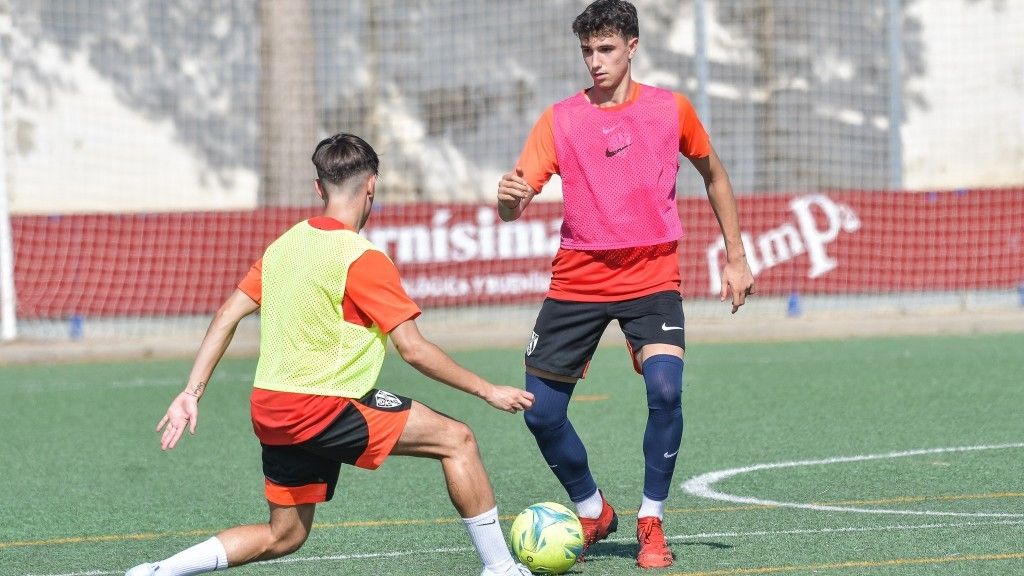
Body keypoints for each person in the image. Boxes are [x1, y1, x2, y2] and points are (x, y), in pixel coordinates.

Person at [126, 133, 535, 576]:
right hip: (322, 407)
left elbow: (227, 314)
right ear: (372, 185)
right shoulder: (361, 258)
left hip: (271, 408)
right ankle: (502, 569)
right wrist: (487, 389)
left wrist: (192, 391)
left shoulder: (283, 246)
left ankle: (156, 572)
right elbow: (413, 349)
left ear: (318, 187)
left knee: (285, 535)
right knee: (458, 440)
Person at [496, 0, 754, 569]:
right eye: (587, 51)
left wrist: (736, 256)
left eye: (606, 49)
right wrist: (506, 201)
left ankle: (651, 520)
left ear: (632, 46)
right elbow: (514, 200)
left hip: (651, 273)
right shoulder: (560, 118)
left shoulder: (671, 109)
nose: (595, 61)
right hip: (578, 277)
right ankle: (593, 510)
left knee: (665, 389)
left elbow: (714, 173)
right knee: (540, 413)